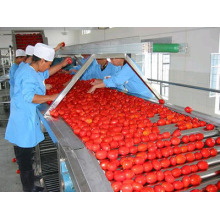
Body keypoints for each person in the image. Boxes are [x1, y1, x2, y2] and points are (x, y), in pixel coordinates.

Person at [5, 43, 58, 192]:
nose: (47, 67)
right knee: (24, 155)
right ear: (41, 61)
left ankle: (29, 178)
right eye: (48, 64)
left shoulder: (29, 69)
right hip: (23, 118)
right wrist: (52, 96)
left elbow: (41, 77)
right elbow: (30, 97)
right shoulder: (27, 72)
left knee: (25, 153)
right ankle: (29, 188)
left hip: (23, 115)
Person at [87, 58, 154, 99]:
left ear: (119, 58)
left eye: (112, 59)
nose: (111, 61)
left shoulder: (129, 67)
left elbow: (116, 81)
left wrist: (96, 86)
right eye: (110, 59)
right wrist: (100, 81)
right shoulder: (123, 67)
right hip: (135, 95)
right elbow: (115, 77)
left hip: (144, 96)